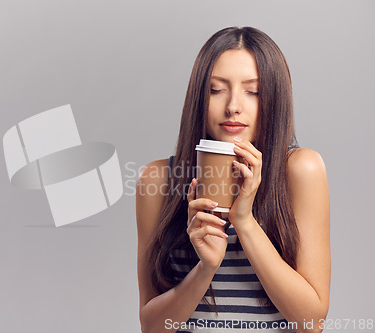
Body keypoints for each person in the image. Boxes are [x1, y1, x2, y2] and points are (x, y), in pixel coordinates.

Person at [136, 27, 330, 333]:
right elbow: (152, 327)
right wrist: (205, 270)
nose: (233, 106)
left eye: (253, 91)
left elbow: (312, 322)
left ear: (274, 99)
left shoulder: (300, 170)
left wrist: (245, 221)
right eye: (216, 89)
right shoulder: (157, 179)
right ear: (199, 96)